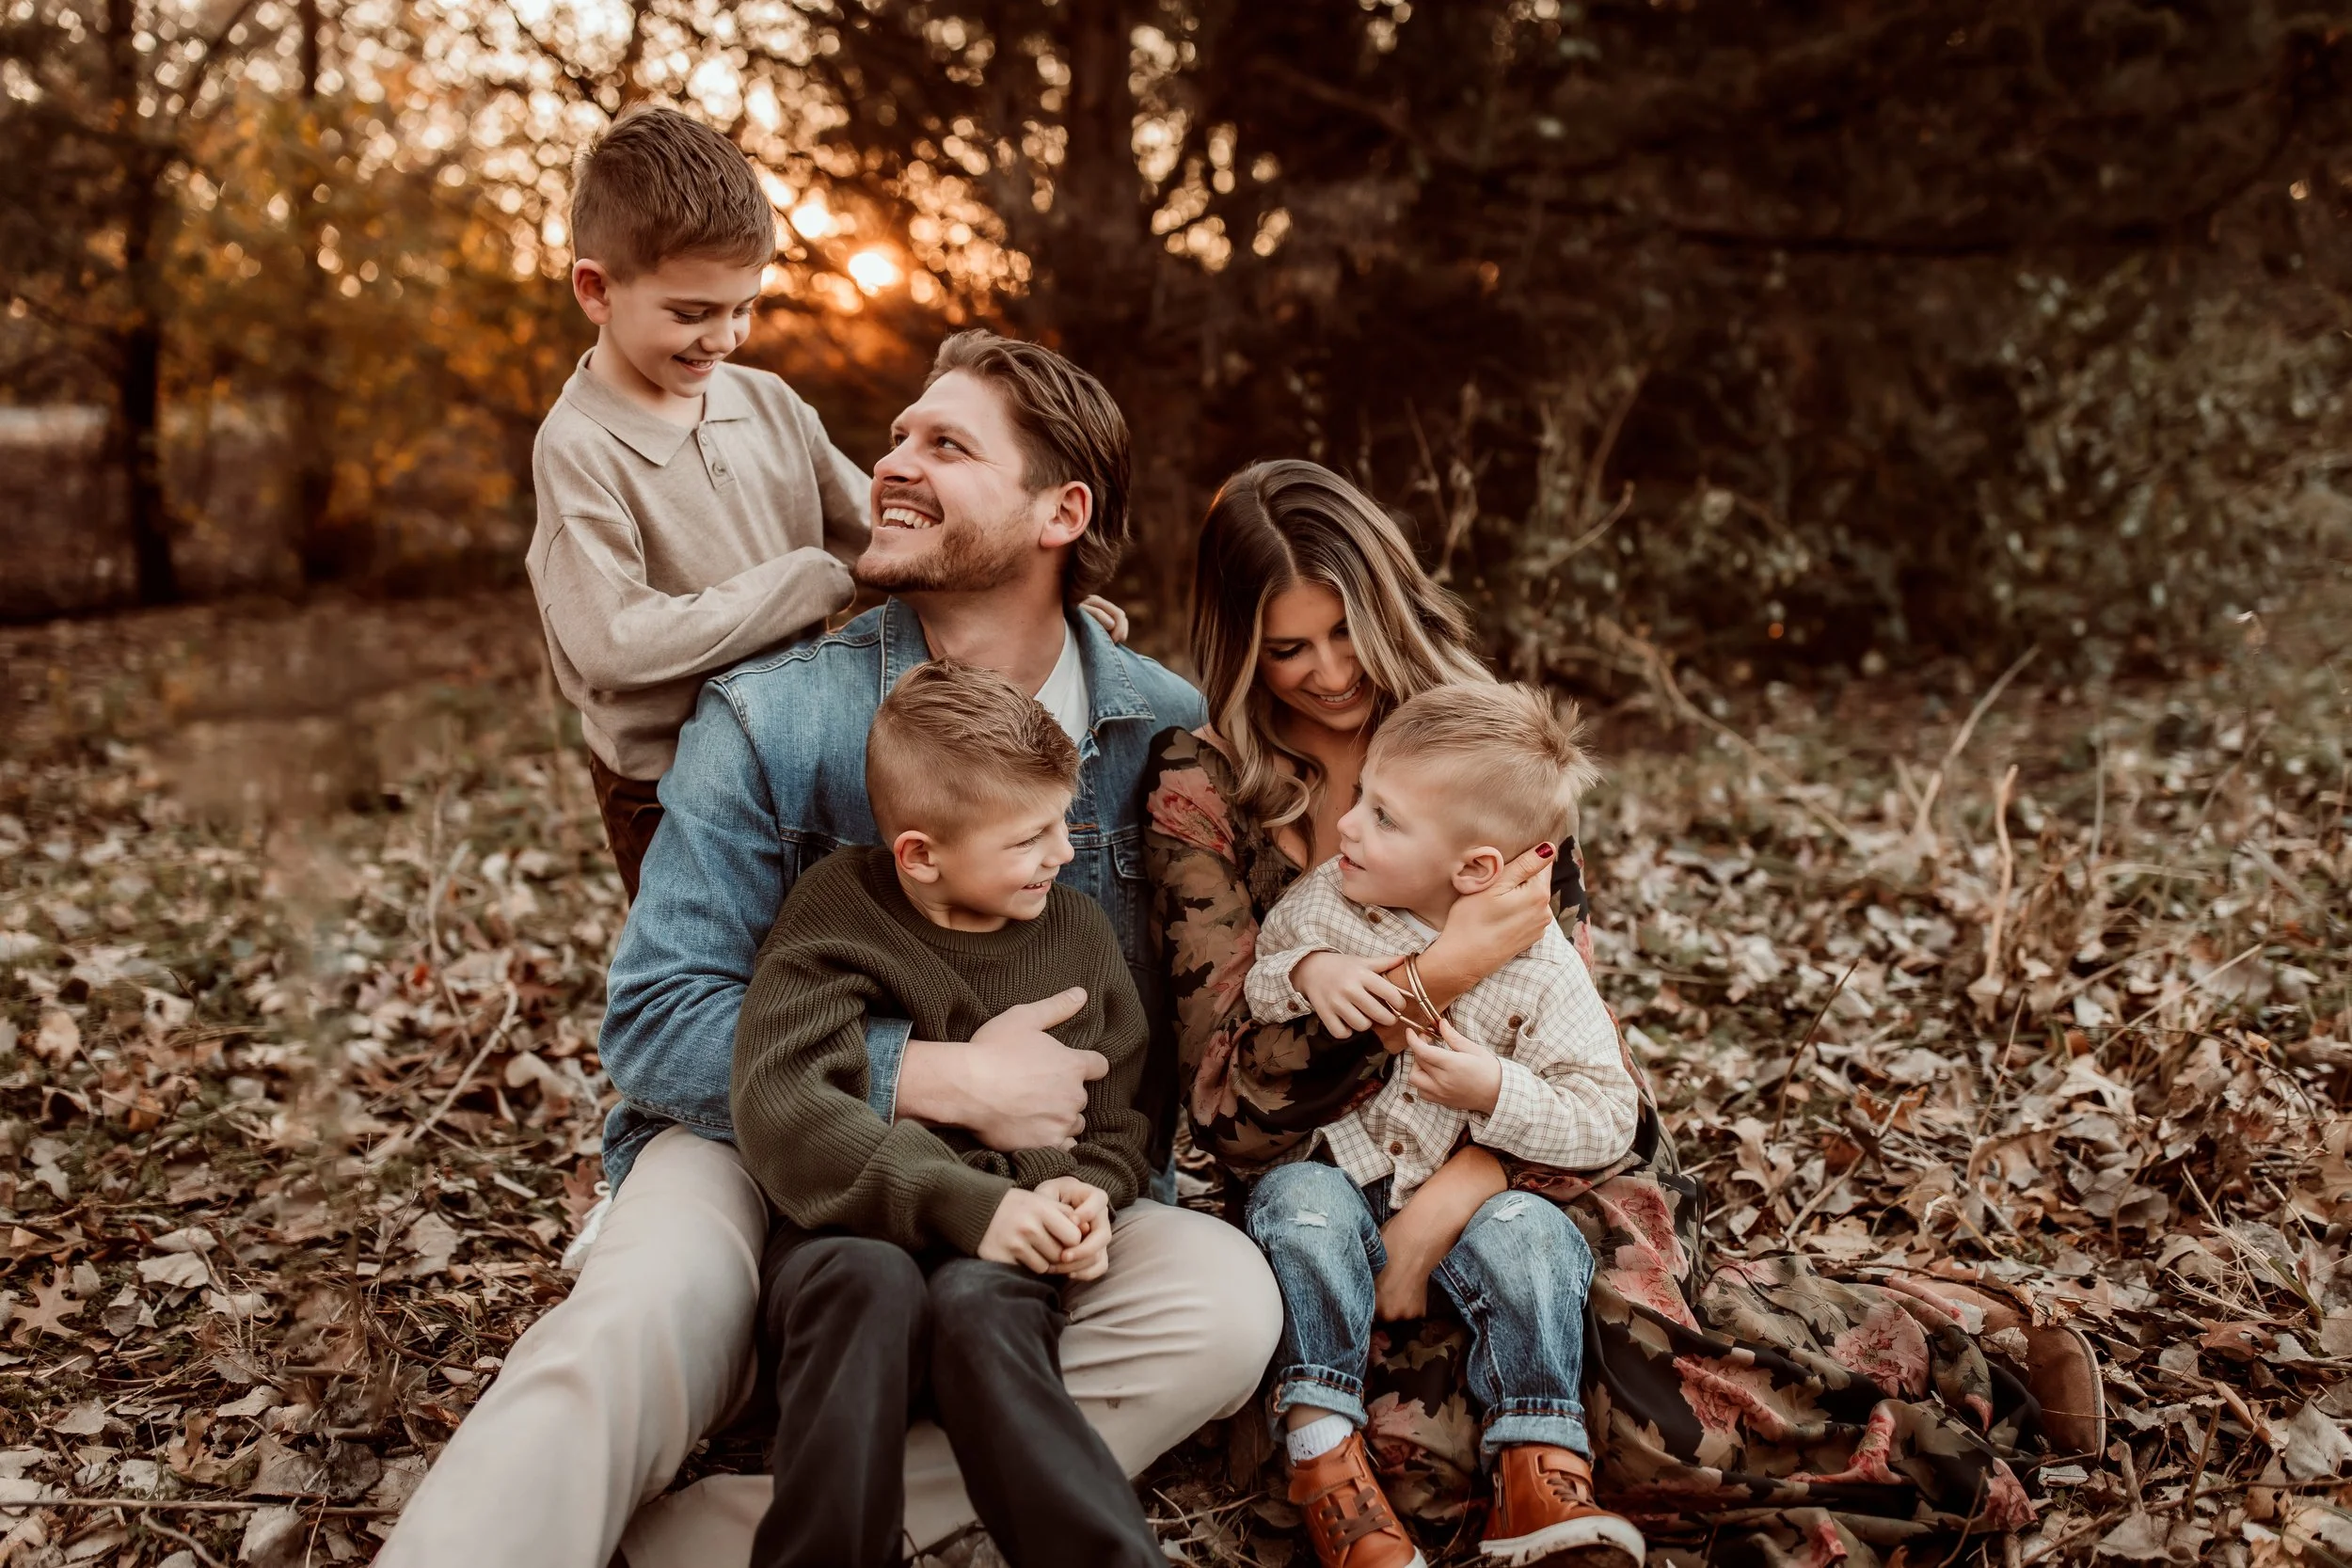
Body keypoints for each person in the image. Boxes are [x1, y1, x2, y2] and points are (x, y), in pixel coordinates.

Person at [377, 330, 1280, 1568]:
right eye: (899, 434)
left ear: (1059, 512)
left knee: (1223, 1305)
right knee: (635, 1318)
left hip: (1013, 1182)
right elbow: (653, 1023)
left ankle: (743, 1532)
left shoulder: (1158, 729)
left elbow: (1189, 1022)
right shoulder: (776, 710)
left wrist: (1083, 1183)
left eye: (945, 445)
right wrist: (927, 1073)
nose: (890, 464)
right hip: (756, 1143)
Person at [1144, 459, 2049, 1568]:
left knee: (1639, 1388)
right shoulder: (1202, 785)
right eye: (1289, 648)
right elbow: (1226, 1101)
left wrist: (1444, 1204)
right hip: (1321, 1179)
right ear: (1241, 649)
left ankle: (1941, 1339)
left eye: (1347, 631)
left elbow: (1572, 1041)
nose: (1330, 673)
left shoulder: (1483, 749)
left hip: (1525, 1152)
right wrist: (1436, 971)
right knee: (1413, 1459)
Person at [732, 659, 1162, 1568]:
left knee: (982, 1307)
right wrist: (972, 1205)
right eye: (1027, 838)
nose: (1063, 853)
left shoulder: (1075, 934)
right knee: (867, 1284)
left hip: (1007, 1245)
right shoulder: (839, 911)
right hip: (839, 1234)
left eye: (1062, 821)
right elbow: (786, 1103)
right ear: (921, 853)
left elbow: (1118, 1121)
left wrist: (1085, 1197)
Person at [1242, 682, 1646, 1568]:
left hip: (1467, 1204)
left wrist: (1496, 1088)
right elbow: (1261, 971)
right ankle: (1325, 1462)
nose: (1346, 825)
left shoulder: (1542, 967)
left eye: (1384, 817)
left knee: (1535, 1237)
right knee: (1298, 1204)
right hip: (1343, 1178)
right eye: (1361, 800)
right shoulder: (1327, 904)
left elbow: (1611, 1114)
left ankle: (1539, 1465)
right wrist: (1311, 970)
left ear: (1474, 868)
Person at [523, 103, 866, 897]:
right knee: (715, 993)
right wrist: (802, 584)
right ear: (596, 289)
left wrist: (1023, 600)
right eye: (691, 314)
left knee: (821, 971)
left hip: (803, 756)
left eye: (744, 308)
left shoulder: (771, 403)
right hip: (668, 790)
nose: (725, 338)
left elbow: (883, 535)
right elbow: (612, 641)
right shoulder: (578, 447)